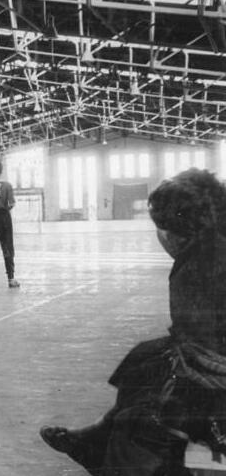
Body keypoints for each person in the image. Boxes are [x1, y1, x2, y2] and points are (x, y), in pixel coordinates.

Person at [40, 168, 226, 476]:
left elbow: (203, 348)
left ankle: (111, 451)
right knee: (145, 356)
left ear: (173, 232)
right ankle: (99, 435)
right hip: (210, 357)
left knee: (145, 417)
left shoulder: (202, 263)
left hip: (215, 371)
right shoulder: (212, 246)